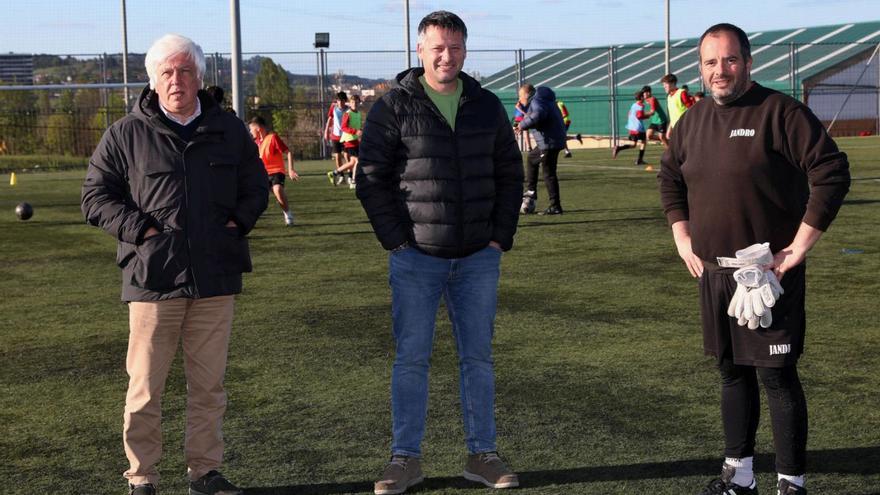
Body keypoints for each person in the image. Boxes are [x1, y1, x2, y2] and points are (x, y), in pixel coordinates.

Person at [658, 23, 850, 495]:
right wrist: (682, 236)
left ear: (747, 61)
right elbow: (670, 180)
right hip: (715, 274)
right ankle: (739, 477)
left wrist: (799, 247)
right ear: (700, 68)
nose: (719, 71)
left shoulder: (780, 112)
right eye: (710, 62)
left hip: (768, 275)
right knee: (730, 371)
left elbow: (831, 172)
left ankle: (791, 483)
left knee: (776, 376)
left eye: (729, 60)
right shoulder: (692, 121)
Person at [81, 34, 269, 495]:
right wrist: (140, 230)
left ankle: (205, 472)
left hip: (215, 279)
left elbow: (256, 187)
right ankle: (141, 477)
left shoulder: (228, 129)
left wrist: (236, 223)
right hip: (153, 280)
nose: (176, 80)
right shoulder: (125, 133)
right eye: (167, 71)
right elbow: (94, 196)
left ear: (201, 78)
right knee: (145, 388)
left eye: (185, 71)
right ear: (153, 79)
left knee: (209, 388)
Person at [356, 10, 524, 495]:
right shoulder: (393, 107)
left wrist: (498, 237)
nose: (445, 56)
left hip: (478, 257)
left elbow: (509, 175)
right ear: (420, 51)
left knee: (478, 358)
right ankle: (404, 459)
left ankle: (483, 455)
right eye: (436, 48)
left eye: (453, 47)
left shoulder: (486, 105)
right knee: (411, 359)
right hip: (416, 258)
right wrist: (397, 240)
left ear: (465, 51)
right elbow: (370, 179)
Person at [516, 83, 567, 215]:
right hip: (551, 140)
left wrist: (522, 125)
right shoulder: (543, 100)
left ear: (526, 95)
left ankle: (555, 206)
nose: (519, 100)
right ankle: (531, 191)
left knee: (548, 173)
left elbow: (538, 115)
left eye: (520, 96)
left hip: (549, 142)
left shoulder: (537, 101)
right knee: (532, 159)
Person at [249, 116, 299, 225]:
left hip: (276, 171)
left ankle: (288, 214)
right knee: (257, 197)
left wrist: (290, 170)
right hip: (262, 174)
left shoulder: (273, 138)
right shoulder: (255, 142)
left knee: (277, 190)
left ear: (258, 128)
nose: (250, 131)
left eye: (251, 129)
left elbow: (288, 152)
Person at [328, 94, 363, 189]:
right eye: (352, 102)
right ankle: (353, 181)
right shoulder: (347, 113)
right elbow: (344, 127)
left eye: (356, 102)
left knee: (352, 162)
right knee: (357, 161)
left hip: (355, 140)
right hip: (348, 140)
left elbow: (359, 127)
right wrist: (355, 131)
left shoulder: (359, 114)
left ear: (359, 103)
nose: (354, 104)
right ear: (350, 103)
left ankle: (334, 173)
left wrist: (360, 133)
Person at [612, 90, 648, 166]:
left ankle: (618, 148)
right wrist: (648, 115)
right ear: (641, 97)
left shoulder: (633, 105)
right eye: (643, 96)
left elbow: (629, 114)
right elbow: (639, 116)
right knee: (643, 142)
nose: (644, 97)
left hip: (631, 127)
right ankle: (639, 160)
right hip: (638, 128)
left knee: (634, 145)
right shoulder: (641, 105)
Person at [324, 91, 350, 185]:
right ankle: (342, 176)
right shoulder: (333, 107)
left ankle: (350, 176)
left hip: (346, 136)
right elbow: (330, 119)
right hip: (335, 136)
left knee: (347, 156)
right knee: (337, 157)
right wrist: (326, 131)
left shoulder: (348, 109)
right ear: (337, 101)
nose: (340, 102)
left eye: (342, 100)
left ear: (345, 101)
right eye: (339, 100)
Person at [662, 73, 695, 138]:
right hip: (676, 128)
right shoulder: (669, 97)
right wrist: (669, 128)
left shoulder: (681, 93)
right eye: (663, 84)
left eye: (666, 84)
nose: (664, 86)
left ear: (673, 83)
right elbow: (673, 115)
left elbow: (692, 109)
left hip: (685, 127)